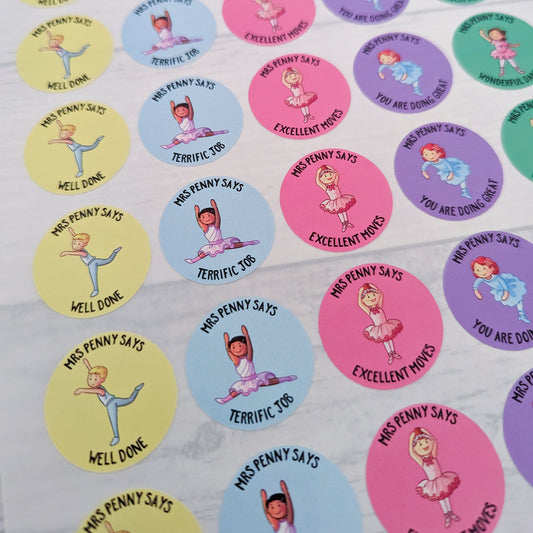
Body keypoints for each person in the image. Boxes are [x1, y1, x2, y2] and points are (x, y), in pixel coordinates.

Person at [215, 325, 296, 404]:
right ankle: (224, 400)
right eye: (233, 347)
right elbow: (229, 353)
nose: (238, 349)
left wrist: (246, 335)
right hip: (245, 381)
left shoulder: (248, 358)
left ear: (246, 346)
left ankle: (287, 378)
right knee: (236, 391)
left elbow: (250, 349)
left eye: (240, 345)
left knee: (271, 382)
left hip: (255, 379)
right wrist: (226, 342)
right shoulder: (237, 361)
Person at [73, 358, 144, 446]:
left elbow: (93, 390)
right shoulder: (97, 384)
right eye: (90, 378)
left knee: (113, 420)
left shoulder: (100, 390)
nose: (91, 381)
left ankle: (116, 437)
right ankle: (136, 389)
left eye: (95, 379)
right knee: (129, 400)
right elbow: (92, 372)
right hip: (114, 400)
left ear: (102, 380)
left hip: (111, 404)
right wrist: (87, 365)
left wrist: (81, 390)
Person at [409, 427, 460, 529]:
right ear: (415, 448)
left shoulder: (433, 455)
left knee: (446, 496)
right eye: (420, 444)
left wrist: (425, 431)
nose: (425, 445)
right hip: (433, 484)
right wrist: (411, 440)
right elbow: (411, 453)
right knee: (441, 498)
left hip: (441, 479)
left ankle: (450, 512)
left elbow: (435, 441)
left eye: (426, 441)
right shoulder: (422, 461)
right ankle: (446, 515)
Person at [185, 199, 259, 264]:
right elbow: (199, 222)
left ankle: (249, 242)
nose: (206, 218)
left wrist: (215, 207)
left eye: (209, 215)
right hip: (212, 245)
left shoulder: (216, 226)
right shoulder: (205, 228)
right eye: (203, 217)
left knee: (235, 245)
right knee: (204, 253)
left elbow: (218, 217)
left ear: (214, 216)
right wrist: (197, 212)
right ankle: (193, 260)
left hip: (221, 243)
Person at [59, 226, 121, 298]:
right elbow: (76, 238)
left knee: (94, 276)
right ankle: (115, 252)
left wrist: (66, 252)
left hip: (92, 264)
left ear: (85, 244)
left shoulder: (83, 253)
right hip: (95, 261)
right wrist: (72, 232)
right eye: (74, 243)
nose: (75, 245)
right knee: (108, 260)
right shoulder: (81, 247)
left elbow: (75, 253)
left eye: (78, 244)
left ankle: (96, 290)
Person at [471, 256, 530, 323]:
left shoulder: (497, 277)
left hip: (509, 287)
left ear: (492, 268)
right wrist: (477, 292)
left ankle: (521, 314)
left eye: (484, 268)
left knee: (518, 299)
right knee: (510, 302)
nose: (482, 272)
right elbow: (475, 286)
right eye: (478, 270)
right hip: (499, 290)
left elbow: (504, 285)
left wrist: (506, 292)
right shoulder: (481, 279)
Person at [358, 283, 402, 365]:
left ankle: (393, 352)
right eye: (368, 297)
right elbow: (360, 304)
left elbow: (381, 294)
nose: (372, 298)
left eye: (373, 295)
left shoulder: (379, 306)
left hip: (386, 325)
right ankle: (390, 354)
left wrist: (373, 286)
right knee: (385, 341)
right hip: (378, 329)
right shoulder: (369, 311)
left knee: (390, 339)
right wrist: (360, 293)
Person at [161, 96, 228, 149]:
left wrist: (189, 102)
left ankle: (220, 132)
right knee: (178, 141)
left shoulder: (189, 118)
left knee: (207, 134)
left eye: (183, 109)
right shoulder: (180, 120)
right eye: (178, 111)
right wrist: (172, 106)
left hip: (194, 132)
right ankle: (168, 146)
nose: (181, 112)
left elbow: (191, 111)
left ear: (188, 110)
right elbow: (174, 114)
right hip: (186, 134)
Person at [315, 165, 356, 232]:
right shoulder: (326, 187)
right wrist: (318, 172)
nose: (329, 177)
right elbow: (318, 182)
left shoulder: (335, 183)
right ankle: (343, 223)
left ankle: (347, 222)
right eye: (325, 176)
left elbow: (337, 174)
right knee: (339, 212)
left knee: (344, 211)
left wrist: (329, 167)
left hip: (340, 200)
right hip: (334, 202)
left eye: (330, 174)